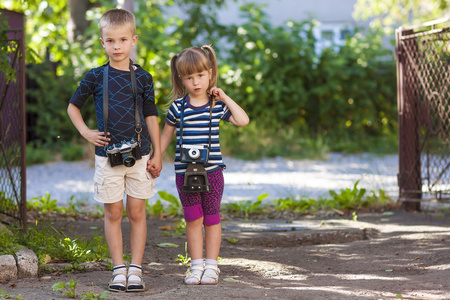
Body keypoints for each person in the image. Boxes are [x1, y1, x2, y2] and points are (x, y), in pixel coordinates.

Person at [67, 8, 161, 293]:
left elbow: (151, 116)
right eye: (110, 41)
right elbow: (73, 106)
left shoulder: (143, 77)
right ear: (102, 43)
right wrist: (86, 132)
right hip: (107, 158)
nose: (116, 46)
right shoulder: (96, 76)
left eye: (122, 40)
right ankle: (118, 269)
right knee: (113, 213)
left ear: (133, 40)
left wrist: (157, 153)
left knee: (137, 211)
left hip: (140, 154)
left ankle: (136, 269)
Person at [155, 45, 249, 285]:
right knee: (193, 219)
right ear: (181, 79)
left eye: (200, 75)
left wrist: (225, 97)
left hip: (213, 173)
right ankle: (196, 267)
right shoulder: (179, 107)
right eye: (189, 77)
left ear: (210, 73)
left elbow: (243, 120)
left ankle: (211, 267)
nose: (196, 82)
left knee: (212, 218)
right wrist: (156, 157)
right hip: (184, 174)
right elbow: (166, 135)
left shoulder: (216, 106)